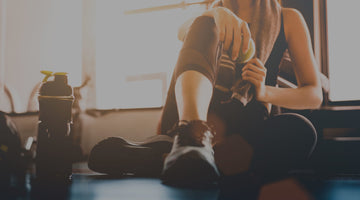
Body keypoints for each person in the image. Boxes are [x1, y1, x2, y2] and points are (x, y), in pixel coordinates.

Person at [88, 0, 322, 186]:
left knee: (301, 131)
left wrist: (264, 92)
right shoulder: (207, 16)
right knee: (203, 22)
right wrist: (214, 14)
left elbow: (313, 94)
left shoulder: (288, 18)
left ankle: (169, 157)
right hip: (192, 117)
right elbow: (182, 31)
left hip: (243, 128)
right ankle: (193, 140)